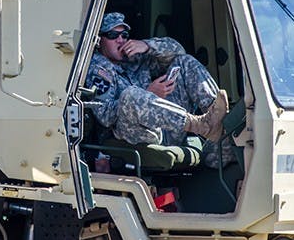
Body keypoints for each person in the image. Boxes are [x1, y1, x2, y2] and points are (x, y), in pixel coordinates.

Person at [86, 12, 228, 148]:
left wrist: (147, 46)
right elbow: (105, 117)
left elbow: (178, 51)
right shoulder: (98, 70)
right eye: (112, 35)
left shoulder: (133, 59)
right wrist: (148, 94)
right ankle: (201, 125)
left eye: (124, 35)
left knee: (185, 62)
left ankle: (218, 121)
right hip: (132, 134)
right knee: (129, 95)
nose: (120, 40)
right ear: (99, 41)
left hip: (165, 128)